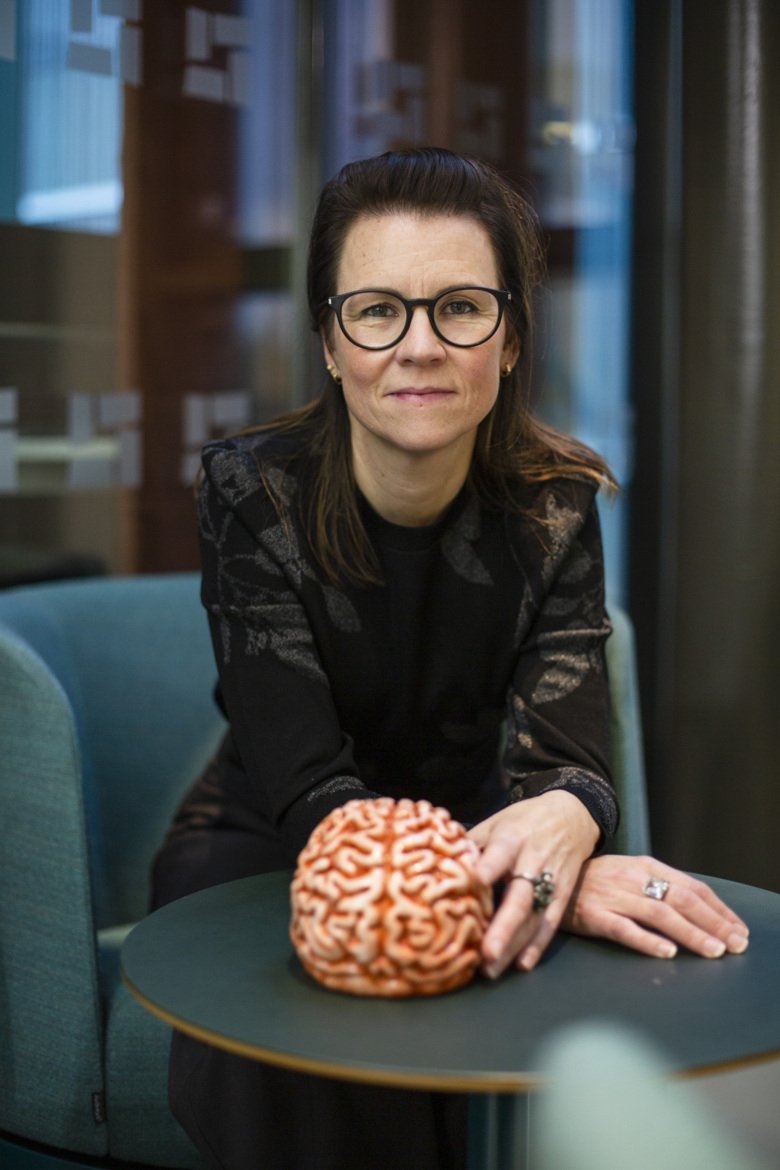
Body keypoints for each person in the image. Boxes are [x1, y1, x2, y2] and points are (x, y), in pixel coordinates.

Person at [151, 147, 748, 1170]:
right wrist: (521, 864)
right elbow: (302, 780)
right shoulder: (251, 491)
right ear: (330, 342)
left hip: (480, 831)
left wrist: (572, 823)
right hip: (273, 841)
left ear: (509, 339)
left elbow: (566, 760)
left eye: (461, 308)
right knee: (316, 1029)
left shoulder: (557, 501)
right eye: (377, 310)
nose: (419, 346)